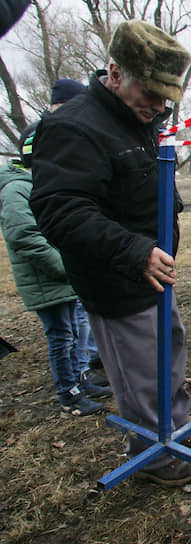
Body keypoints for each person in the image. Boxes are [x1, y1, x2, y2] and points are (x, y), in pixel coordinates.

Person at [30, 20, 191, 487]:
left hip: (153, 273)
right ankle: (155, 460)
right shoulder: (74, 127)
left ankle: (174, 434)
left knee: (168, 355)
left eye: (165, 97)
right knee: (139, 374)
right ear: (114, 73)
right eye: (150, 94)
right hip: (117, 278)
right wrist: (135, 252)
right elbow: (61, 211)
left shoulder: (137, 120)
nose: (159, 107)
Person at [0, 163, 111, 416]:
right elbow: (23, 236)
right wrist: (64, 266)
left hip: (60, 276)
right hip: (45, 279)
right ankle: (68, 395)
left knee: (73, 331)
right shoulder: (16, 189)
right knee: (61, 337)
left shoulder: (37, 183)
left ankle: (79, 381)